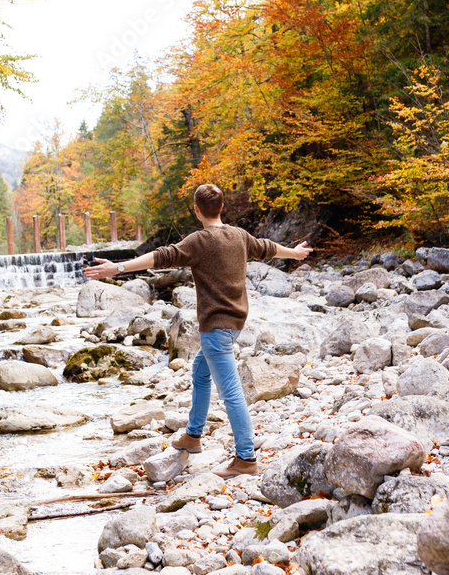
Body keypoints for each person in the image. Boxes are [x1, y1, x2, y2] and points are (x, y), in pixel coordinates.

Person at [84, 184, 313, 478]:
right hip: (235, 324)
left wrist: (118, 269)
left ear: (196, 210)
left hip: (217, 328)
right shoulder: (239, 236)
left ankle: (246, 457)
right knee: (200, 372)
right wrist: (294, 253)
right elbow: (267, 247)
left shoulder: (200, 241)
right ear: (222, 208)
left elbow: (160, 256)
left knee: (231, 392)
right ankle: (193, 436)